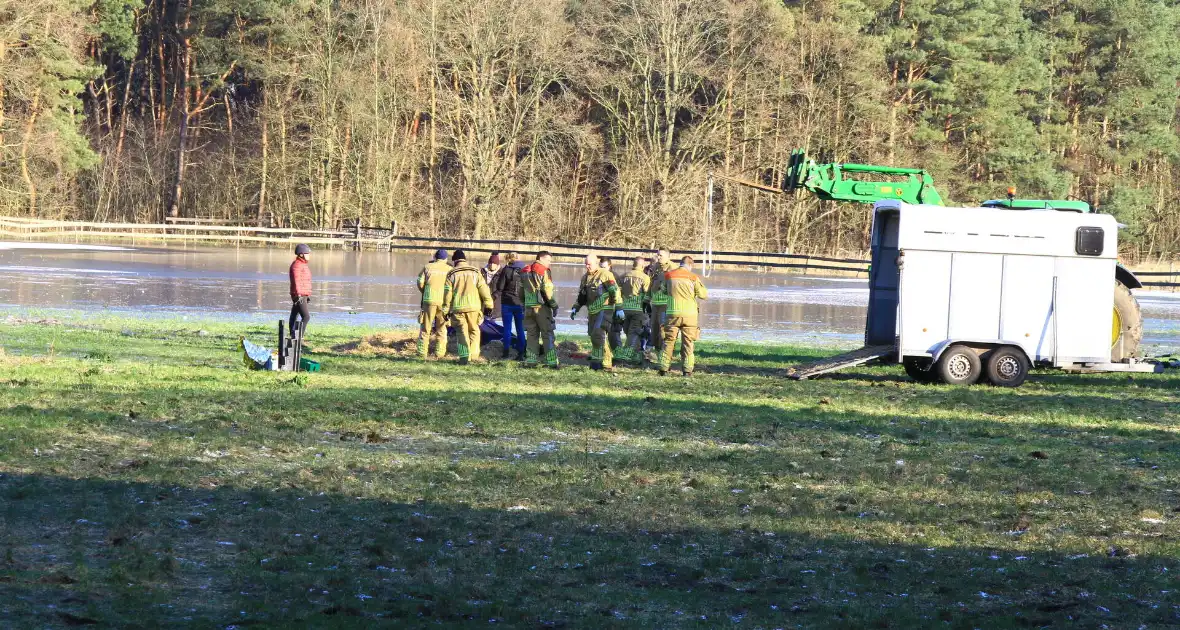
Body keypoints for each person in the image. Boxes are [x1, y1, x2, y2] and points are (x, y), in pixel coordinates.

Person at [441, 250, 494, 365]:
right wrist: (489, 305)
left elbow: (447, 294)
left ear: (455, 260)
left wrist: (445, 310)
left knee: (462, 333)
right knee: (474, 331)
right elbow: (484, 289)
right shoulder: (475, 271)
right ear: (465, 259)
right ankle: (474, 356)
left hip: (458, 308)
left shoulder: (451, 273)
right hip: (474, 307)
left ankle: (464, 358)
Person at [659, 256, 708, 376]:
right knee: (688, 343)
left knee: (669, 341)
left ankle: (663, 369)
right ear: (690, 265)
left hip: (672, 314)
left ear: (680, 264)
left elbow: (662, 290)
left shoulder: (668, 275)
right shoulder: (693, 277)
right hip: (690, 315)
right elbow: (703, 295)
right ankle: (687, 371)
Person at [571, 253, 620, 371]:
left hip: (605, 309)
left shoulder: (605, 274)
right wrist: (575, 308)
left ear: (596, 263)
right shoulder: (585, 278)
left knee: (598, 334)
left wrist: (619, 307)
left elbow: (615, 291)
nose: (587, 267)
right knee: (594, 335)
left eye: (589, 264)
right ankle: (604, 359)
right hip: (592, 310)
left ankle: (601, 363)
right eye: (586, 264)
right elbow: (581, 296)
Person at [519, 251, 560, 369]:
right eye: (548, 260)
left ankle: (531, 361)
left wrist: (525, 303)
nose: (549, 263)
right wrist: (554, 305)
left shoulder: (524, 271)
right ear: (541, 259)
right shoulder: (543, 271)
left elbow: (520, 292)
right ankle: (552, 362)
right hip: (542, 308)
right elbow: (547, 290)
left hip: (528, 308)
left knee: (532, 335)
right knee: (547, 334)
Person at [415, 249, 452, 359]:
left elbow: (419, 282)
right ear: (446, 259)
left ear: (435, 258)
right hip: (443, 303)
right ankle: (439, 354)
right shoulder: (450, 269)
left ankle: (422, 354)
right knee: (442, 328)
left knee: (425, 328)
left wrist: (424, 291)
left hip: (429, 301)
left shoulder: (427, 267)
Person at [616, 255, 651, 364]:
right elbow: (647, 294)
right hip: (638, 310)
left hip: (625, 309)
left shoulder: (623, 276)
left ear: (633, 264)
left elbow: (616, 291)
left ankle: (635, 357)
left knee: (628, 332)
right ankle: (626, 356)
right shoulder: (645, 278)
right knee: (634, 333)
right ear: (642, 265)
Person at [493, 252, 527, 359]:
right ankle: (521, 353)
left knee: (507, 329)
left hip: (507, 303)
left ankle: (506, 352)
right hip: (520, 304)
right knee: (520, 329)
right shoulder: (525, 270)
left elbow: (500, 287)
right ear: (518, 258)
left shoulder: (506, 270)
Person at [645, 248, 675, 361]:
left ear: (668, 256)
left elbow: (674, 286)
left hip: (666, 304)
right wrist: (646, 301)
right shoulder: (655, 267)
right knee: (654, 330)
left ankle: (666, 355)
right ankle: (658, 354)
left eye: (661, 255)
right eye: (658, 255)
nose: (658, 257)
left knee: (664, 331)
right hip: (655, 304)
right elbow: (651, 283)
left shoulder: (672, 268)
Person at [288, 244, 312, 339]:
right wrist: (298, 295)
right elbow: (296, 280)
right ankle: (297, 338)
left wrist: (306, 294)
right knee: (306, 317)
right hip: (299, 294)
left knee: (294, 315)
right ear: (301, 254)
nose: (309, 255)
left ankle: (293, 338)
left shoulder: (302, 264)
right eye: (307, 253)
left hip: (302, 294)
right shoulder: (297, 265)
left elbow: (305, 281)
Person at [601, 258, 624, 352]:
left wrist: (619, 308)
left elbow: (619, 294)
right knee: (600, 334)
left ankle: (618, 353)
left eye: (604, 267)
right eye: (601, 267)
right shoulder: (599, 275)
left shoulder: (614, 277)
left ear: (610, 266)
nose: (602, 269)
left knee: (614, 333)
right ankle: (604, 354)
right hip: (602, 309)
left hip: (614, 309)